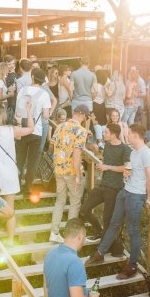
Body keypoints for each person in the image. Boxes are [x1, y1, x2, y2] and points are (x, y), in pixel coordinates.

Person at [86, 124, 150, 280]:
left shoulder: (147, 154)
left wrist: (148, 199)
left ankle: (132, 266)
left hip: (136, 196)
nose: (127, 136)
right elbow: (130, 171)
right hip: (125, 192)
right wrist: (126, 174)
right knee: (113, 224)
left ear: (136, 135)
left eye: (129, 134)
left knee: (133, 231)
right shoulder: (134, 152)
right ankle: (100, 253)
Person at [0, 101, 35, 241]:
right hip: (9, 175)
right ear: (2, 116)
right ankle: (10, 241)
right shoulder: (10, 130)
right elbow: (31, 129)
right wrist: (28, 111)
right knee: (10, 210)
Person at [78, 123, 130, 252]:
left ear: (114, 134)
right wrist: (102, 165)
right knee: (84, 210)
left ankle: (103, 248)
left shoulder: (125, 148)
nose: (103, 134)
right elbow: (106, 162)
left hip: (114, 188)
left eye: (106, 132)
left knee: (107, 219)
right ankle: (99, 231)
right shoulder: (107, 145)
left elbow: (127, 168)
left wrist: (108, 167)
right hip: (102, 185)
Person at [49, 104, 89, 243]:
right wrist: (78, 175)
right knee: (75, 202)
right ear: (83, 115)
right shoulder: (81, 131)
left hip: (59, 168)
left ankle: (54, 233)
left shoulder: (60, 126)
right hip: (71, 171)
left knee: (60, 201)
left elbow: (52, 144)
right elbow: (77, 155)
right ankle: (70, 237)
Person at [14, 68, 52, 195]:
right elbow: (45, 116)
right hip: (36, 130)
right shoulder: (44, 94)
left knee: (20, 158)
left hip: (21, 128)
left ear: (32, 77)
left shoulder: (22, 90)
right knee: (32, 160)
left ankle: (17, 185)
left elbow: (17, 109)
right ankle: (28, 187)